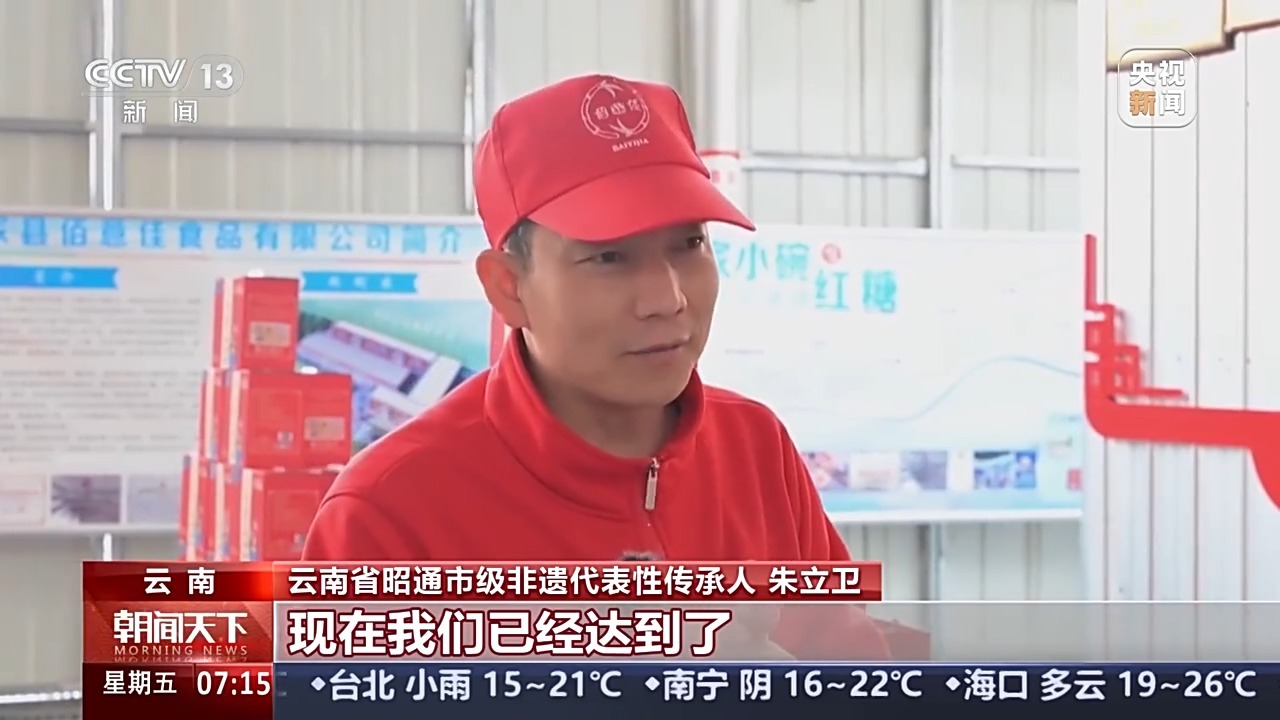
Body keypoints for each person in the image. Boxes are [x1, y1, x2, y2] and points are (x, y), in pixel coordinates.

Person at [302, 73, 890, 660]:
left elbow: (861, 669)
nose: (667, 299)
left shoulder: (755, 448)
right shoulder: (389, 512)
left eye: (689, 245)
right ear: (509, 287)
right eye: (609, 257)